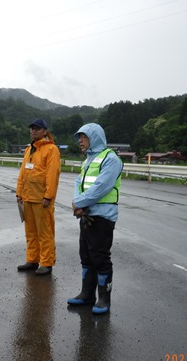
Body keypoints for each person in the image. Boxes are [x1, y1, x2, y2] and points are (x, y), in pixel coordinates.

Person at [67, 123, 123, 315]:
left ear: (95, 137)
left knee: (100, 258)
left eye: (83, 136)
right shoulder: (88, 160)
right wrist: (78, 202)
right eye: (79, 137)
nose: (80, 140)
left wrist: (80, 203)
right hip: (87, 215)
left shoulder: (111, 159)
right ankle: (86, 295)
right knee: (86, 256)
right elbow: (78, 182)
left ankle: (104, 299)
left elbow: (102, 186)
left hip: (103, 216)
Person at [16, 119, 61, 276]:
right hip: (28, 198)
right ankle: (32, 260)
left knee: (45, 232)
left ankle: (47, 263)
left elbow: (52, 175)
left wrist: (48, 196)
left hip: (42, 199)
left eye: (36, 129)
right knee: (31, 232)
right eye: (31, 129)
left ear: (44, 131)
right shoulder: (29, 150)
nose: (33, 131)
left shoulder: (51, 149)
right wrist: (19, 192)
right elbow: (23, 172)